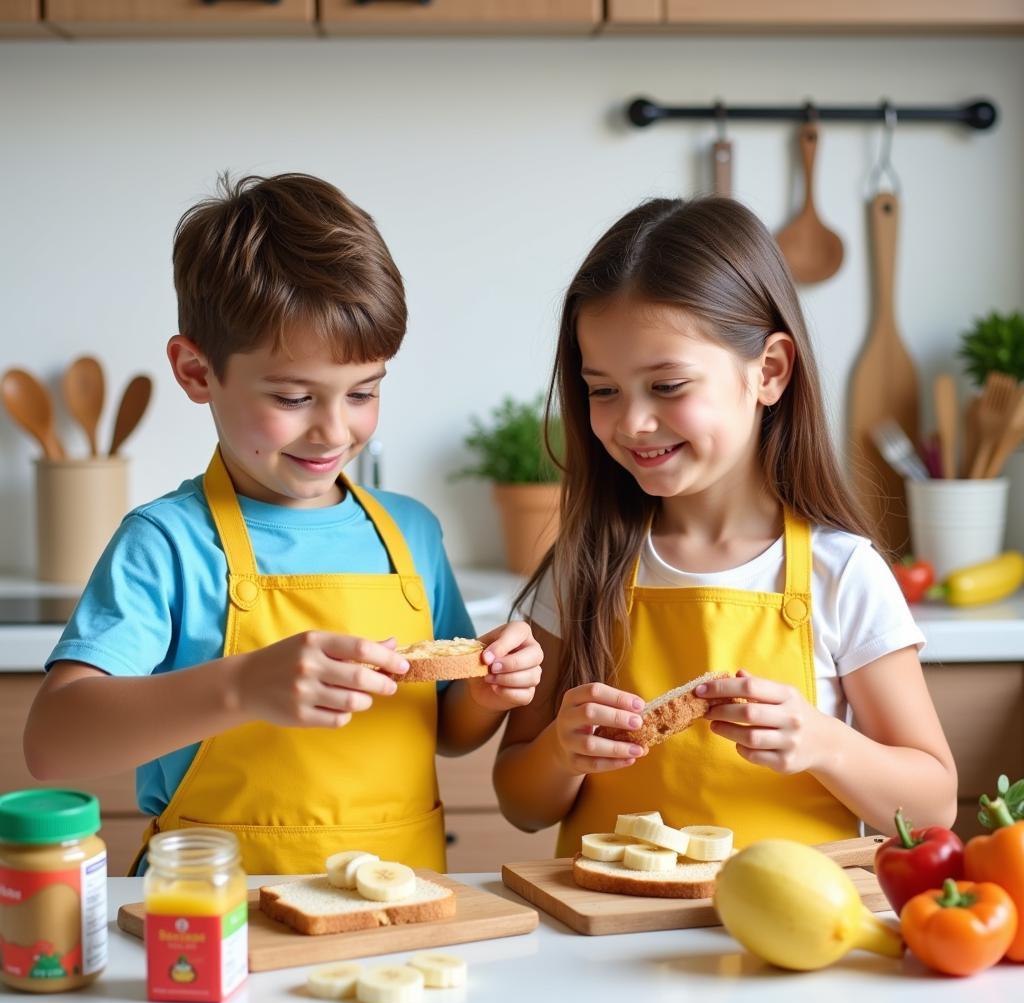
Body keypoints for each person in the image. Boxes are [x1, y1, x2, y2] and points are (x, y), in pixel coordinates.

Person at [24, 172, 542, 875]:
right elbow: (56, 743)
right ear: (197, 372)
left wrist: (486, 693)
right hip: (213, 917)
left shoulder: (411, 533)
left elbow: (446, 730)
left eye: (363, 391)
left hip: (395, 901)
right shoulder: (168, 544)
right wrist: (243, 687)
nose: (335, 429)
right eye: (295, 396)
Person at [493, 195, 957, 856]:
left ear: (768, 371)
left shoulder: (842, 572)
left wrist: (824, 742)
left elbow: (933, 806)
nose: (631, 423)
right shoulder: (584, 565)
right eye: (603, 390)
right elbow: (519, 802)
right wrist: (560, 754)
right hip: (614, 943)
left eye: (669, 386)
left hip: (790, 948)